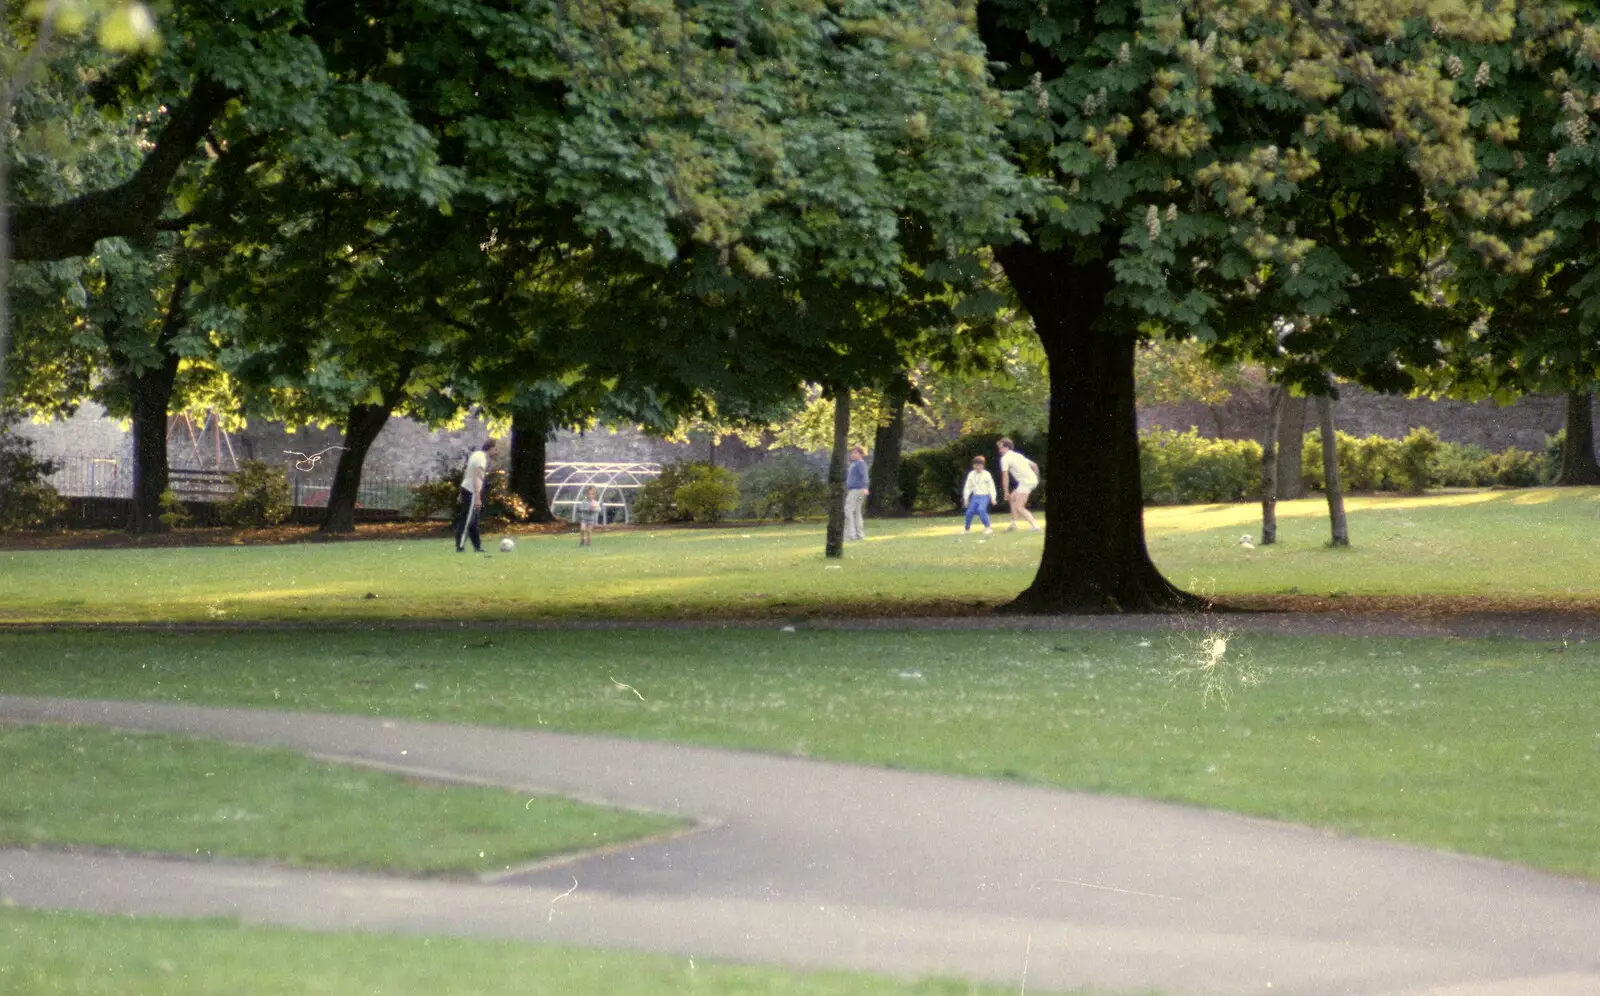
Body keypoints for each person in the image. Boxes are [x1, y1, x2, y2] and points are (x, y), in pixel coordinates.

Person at [454, 439, 496, 552]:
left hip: (467, 488)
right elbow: (476, 476)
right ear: (491, 448)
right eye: (495, 449)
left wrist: (460, 492)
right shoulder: (481, 458)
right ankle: (460, 545)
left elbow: (466, 472)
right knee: (467, 519)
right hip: (471, 491)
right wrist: (477, 497)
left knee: (474, 520)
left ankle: (477, 546)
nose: (495, 451)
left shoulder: (475, 455)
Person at [996, 437, 1042, 532]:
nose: (999, 450)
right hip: (1029, 481)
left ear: (1007, 447)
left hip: (1026, 482)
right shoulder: (1018, 455)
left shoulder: (1005, 458)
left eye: (1000, 447)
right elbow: (1034, 465)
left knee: (1019, 506)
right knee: (1013, 497)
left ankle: (1035, 526)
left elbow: (1005, 477)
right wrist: (1036, 480)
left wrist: (1005, 492)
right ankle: (1013, 525)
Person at [961, 455, 996, 535]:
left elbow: (991, 487)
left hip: (984, 496)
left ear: (983, 466)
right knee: (969, 512)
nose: (978, 467)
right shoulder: (971, 474)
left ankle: (988, 527)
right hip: (975, 496)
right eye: (976, 465)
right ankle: (967, 529)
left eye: (980, 465)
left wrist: (993, 498)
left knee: (981, 510)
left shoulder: (986, 474)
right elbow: (968, 487)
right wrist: (966, 499)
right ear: (973, 465)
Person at [843, 445, 870, 541]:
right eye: (852, 453)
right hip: (854, 490)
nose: (852, 454)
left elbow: (864, 476)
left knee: (848, 510)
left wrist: (865, 487)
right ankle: (859, 535)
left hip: (857, 490)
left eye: (855, 453)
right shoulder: (854, 464)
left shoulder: (860, 463)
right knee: (856, 512)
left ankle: (850, 535)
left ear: (861, 454)